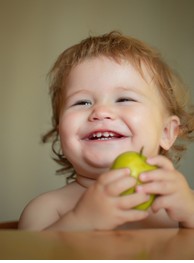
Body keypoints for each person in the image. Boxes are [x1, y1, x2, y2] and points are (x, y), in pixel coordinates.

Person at [18, 31, 194, 231]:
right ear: (60, 133)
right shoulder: (47, 210)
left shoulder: (182, 204)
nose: (100, 112)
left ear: (166, 132)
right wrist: (80, 220)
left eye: (123, 99)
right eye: (82, 102)